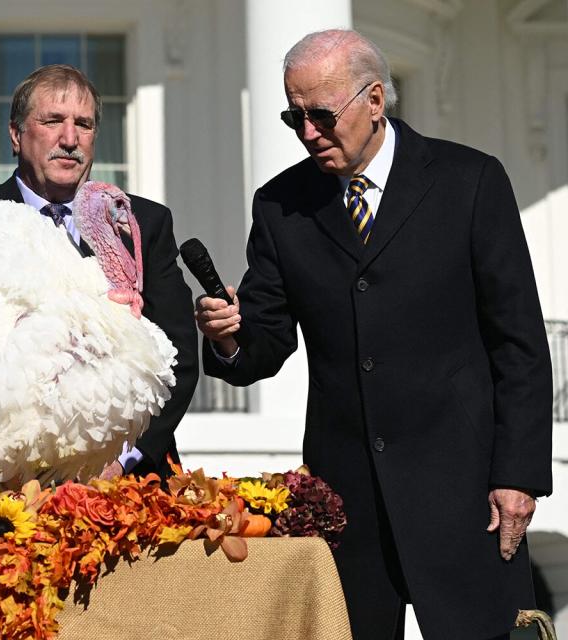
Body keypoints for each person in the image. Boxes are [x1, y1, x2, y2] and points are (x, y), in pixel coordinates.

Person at [196, 30, 552, 640]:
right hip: (346, 502)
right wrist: (229, 335)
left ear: (375, 100)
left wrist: (518, 475)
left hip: (467, 495)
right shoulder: (280, 205)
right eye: (293, 116)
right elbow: (264, 342)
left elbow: (518, 342)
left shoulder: (470, 181)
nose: (308, 132)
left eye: (321, 114)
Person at [0, 64, 198, 479]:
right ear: (15, 135)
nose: (70, 139)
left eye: (83, 125)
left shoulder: (142, 223)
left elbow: (178, 357)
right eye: (52, 121)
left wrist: (121, 462)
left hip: (125, 478)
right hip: (2, 478)